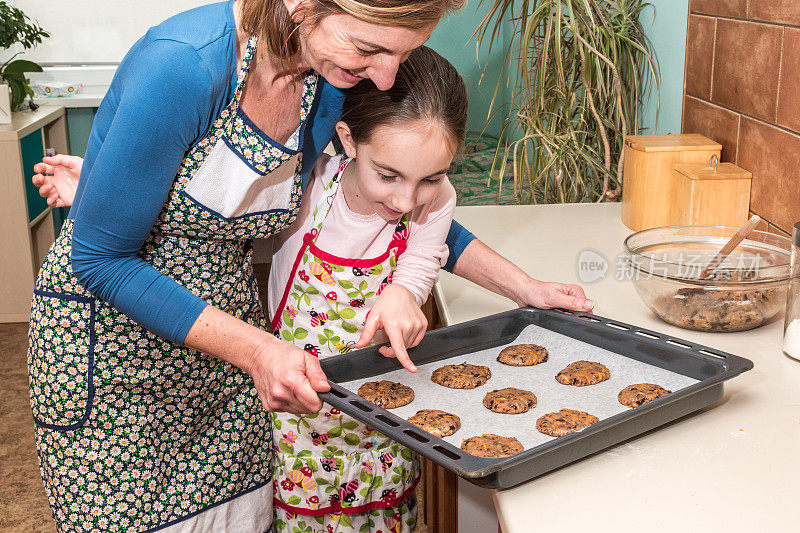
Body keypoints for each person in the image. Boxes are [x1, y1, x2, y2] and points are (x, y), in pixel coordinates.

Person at [29, 1, 592, 531]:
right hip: (119, 365)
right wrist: (258, 349)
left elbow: (407, 212)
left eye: (403, 52)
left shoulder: (330, 75)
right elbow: (102, 257)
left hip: (229, 359)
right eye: (371, 47)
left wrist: (524, 286)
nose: (387, 78)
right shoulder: (183, 66)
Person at [267, 46, 465, 532]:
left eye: (431, 178)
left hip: (383, 419)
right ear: (348, 139)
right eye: (388, 175)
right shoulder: (308, 186)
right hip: (301, 426)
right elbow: (212, 213)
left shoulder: (436, 201)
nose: (406, 200)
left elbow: (422, 256)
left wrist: (404, 293)